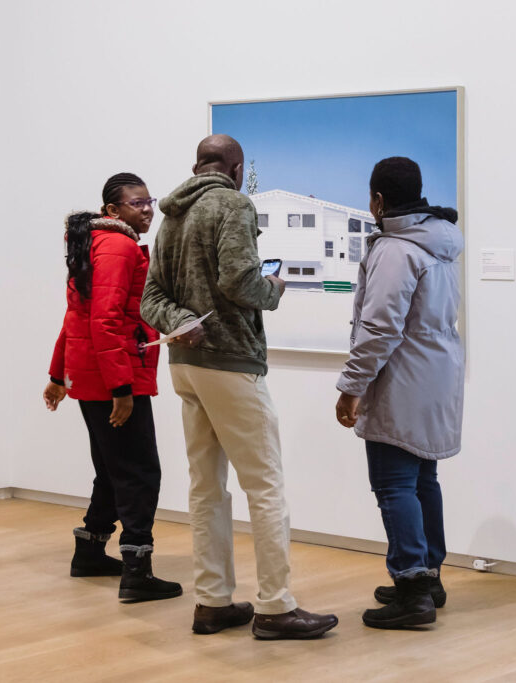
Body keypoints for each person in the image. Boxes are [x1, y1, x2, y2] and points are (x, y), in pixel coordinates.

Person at [141, 135, 338, 639]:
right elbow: (239, 281)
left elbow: (151, 298)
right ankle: (275, 607)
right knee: (265, 485)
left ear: (196, 166)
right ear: (236, 168)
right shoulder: (233, 203)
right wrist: (272, 289)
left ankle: (212, 601)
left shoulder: (170, 215)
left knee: (207, 486)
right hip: (229, 361)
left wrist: (181, 318)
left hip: (185, 364)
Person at [335, 156, 464, 629]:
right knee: (422, 480)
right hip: (435, 376)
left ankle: (411, 590)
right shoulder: (439, 243)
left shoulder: (395, 249)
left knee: (393, 484)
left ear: (379, 200)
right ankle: (428, 577)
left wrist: (351, 386)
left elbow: (378, 328)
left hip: (401, 378)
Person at [44, 172, 182, 603]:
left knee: (112, 468)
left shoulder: (92, 245)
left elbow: (76, 318)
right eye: (136, 203)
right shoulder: (119, 247)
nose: (147, 210)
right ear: (112, 211)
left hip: (92, 376)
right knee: (141, 472)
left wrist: (57, 377)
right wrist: (122, 387)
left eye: (149, 201)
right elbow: (103, 321)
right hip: (116, 378)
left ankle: (89, 552)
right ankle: (137, 570)